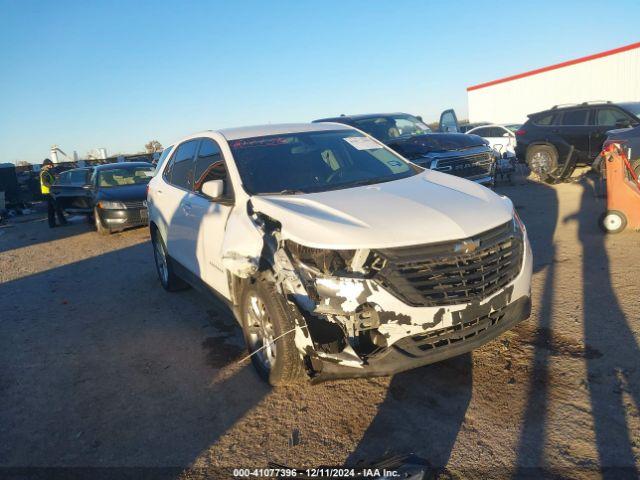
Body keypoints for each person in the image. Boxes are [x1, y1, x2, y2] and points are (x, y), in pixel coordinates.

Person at [40, 159, 67, 227]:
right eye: (50, 165)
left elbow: (49, 181)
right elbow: (45, 183)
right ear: (46, 165)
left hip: (48, 192)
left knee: (51, 210)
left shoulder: (47, 172)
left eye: (51, 164)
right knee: (57, 207)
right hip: (49, 193)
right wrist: (52, 187)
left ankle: (52, 224)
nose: (51, 166)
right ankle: (62, 222)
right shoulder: (44, 172)